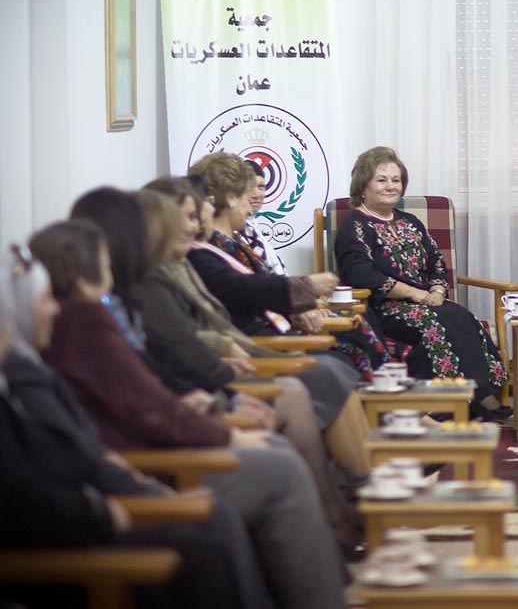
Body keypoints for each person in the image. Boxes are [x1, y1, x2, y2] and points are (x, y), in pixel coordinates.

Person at [27, 221, 348, 609]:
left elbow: (150, 384)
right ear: (86, 271)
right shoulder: (85, 323)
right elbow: (147, 406)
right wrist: (226, 432)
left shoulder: (85, 317)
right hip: (157, 465)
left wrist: (211, 402)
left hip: (147, 454)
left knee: (279, 448)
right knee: (281, 467)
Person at [0, 246, 265, 609]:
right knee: (207, 542)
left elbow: (85, 450)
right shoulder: (36, 369)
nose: (53, 309)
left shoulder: (28, 370)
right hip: (69, 545)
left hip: (108, 498)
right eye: (43, 300)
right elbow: (28, 495)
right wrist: (103, 508)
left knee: (212, 527)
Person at [128, 185, 363, 553]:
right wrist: (235, 361)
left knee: (333, 365)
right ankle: (350, 502)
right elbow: (202, 327)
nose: (196, 221)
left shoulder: (184, 260)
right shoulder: (165, 271)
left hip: (243, 358)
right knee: (322, 374)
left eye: (197, 212)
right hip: (227, 375)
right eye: (190, 214)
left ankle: (358, 492)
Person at [334, 146, 509, 419]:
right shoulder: (354, 226)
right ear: (363, 185)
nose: (390, 186)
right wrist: (413, 293)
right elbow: (361, 274)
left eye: (396, 180)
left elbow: (436, 261)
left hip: (428, 299)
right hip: (383, 307)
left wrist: (437, 288)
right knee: (433, 323)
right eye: (381, 180)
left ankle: (482, 395)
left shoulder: (411, 221)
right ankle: (442, 404)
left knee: (463, 317)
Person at [186, 153, 387, 378]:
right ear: (231, 198)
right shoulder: (206, 251)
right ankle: (387, 393)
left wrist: (297, 306)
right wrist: (306, 287)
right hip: (261, 344)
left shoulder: (235, 242)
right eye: (247, 195)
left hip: (279, 329)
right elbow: (246, 288)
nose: (252, 203)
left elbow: (259, 287)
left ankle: (391, 390)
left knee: (356, 325)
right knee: (345, 350)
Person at [240, 159, 288, 275]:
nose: (257, 195)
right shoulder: (235, 233)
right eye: (250, 187)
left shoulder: (254, 229)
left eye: (261, 187)